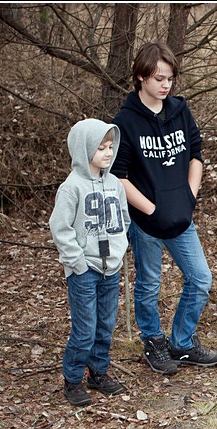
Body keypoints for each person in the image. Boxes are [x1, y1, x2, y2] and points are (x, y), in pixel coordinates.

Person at [111, 41, 217, 375]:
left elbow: (196, 154)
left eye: (170, 78)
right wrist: (150, 210)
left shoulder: (179, 110)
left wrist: (189, 196)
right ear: (141, 77)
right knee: (149, 285)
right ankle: (153, 341)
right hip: (145, 222)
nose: (165, 85)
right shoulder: (126, 121)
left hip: (180, 217)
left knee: (200, 279)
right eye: (158, 78)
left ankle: (182, 343)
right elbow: (118, 176)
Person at [49, 119, 130, 406]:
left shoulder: (115, 185)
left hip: (111, 268)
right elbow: (60, 228)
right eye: (101, 148)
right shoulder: (71, 188)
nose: (108, 153)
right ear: (84, 149)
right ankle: (72, 380)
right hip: (84, 270)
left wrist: (120, 249)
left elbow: (123, 219)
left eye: (110, 147)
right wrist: (77, 262)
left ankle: (98, 372)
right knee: (85, 329)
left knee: (105, 325)